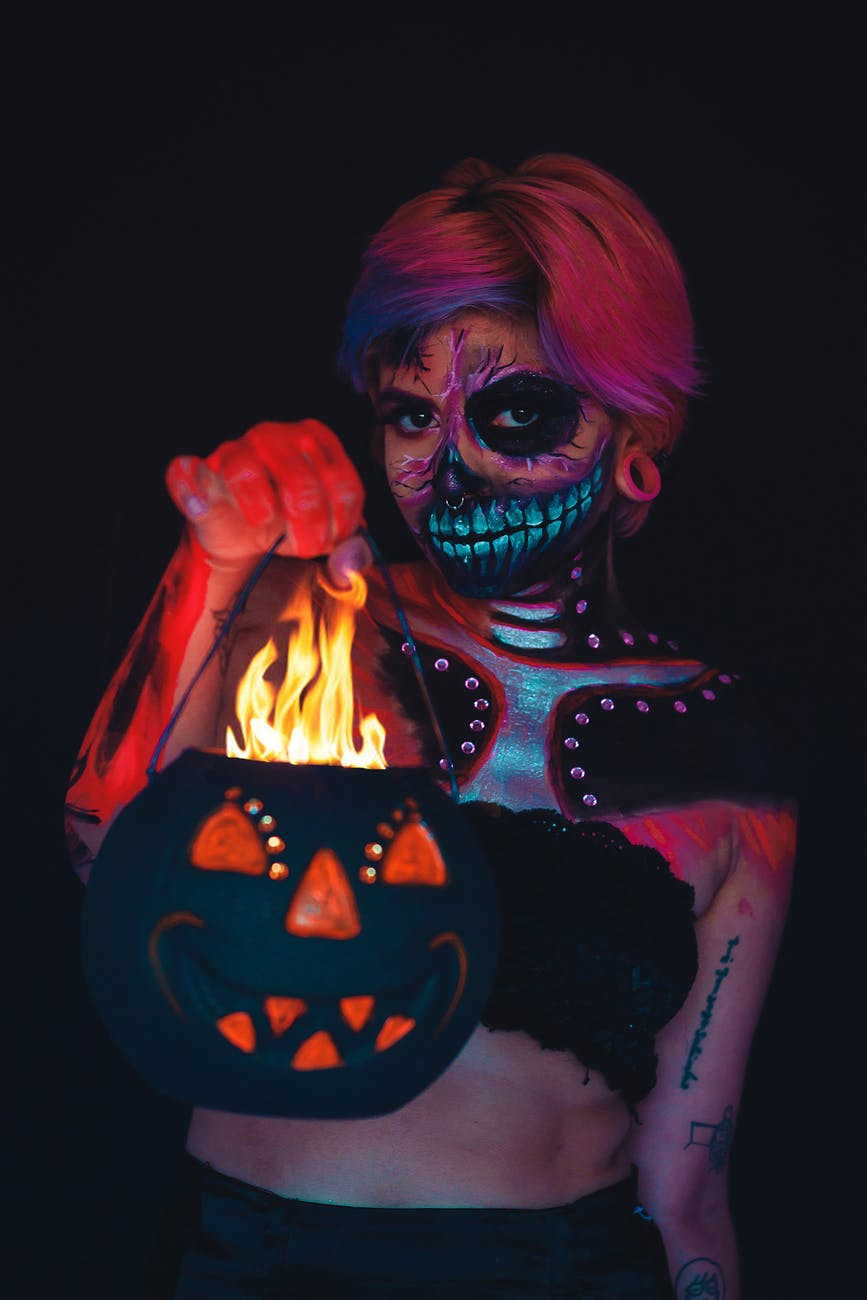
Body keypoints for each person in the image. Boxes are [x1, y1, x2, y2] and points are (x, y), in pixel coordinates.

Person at [66, 154, 796, 1298]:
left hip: (562, 1272)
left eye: (516, 412)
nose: (444, 471)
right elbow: (111, 859)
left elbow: (688, 1179)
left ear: (640, 435)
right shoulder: (311, 616)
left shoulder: (723, 755)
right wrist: (213, 562)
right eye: (410, 415)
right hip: (245, 1265)